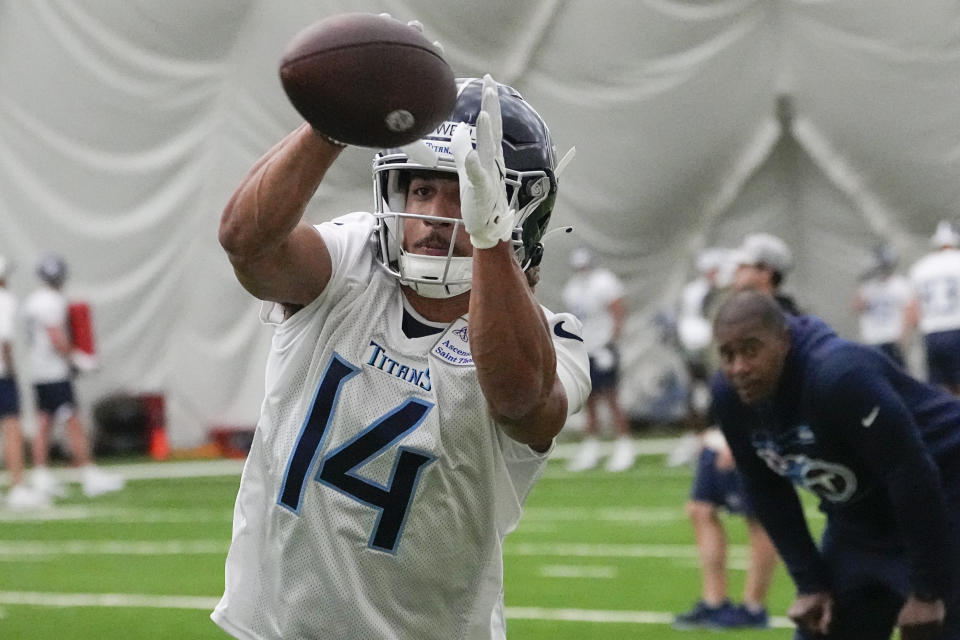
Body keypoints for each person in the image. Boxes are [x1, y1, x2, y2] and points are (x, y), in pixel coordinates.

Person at [210, 73, 590, 640]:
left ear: (516, 213)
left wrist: (488, 242)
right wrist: (332, 124)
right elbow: (248, 244)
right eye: (421, 190)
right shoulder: (352, 259)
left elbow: (520, 400)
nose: (436, 216)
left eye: (463, 191)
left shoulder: (552, 336)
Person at [711, 289, 960, 640]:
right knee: (821, 627)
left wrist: (927, 590)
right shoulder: (729, 395)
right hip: (859, 520)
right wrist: (809, 582)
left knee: (934, 627)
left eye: (751, 350)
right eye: (727, 354)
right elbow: (763, 486)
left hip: (944, 498)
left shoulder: (838, 375)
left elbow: (911, 475)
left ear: (784, 341)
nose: (739, 368)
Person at [674, 234, 789, 630]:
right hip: (726, 426)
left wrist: (747, 438)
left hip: (757, 430)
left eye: (745, 266)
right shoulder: (736, 310)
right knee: (701, 509)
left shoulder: (782, 317)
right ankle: (714, 600)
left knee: (759, 518)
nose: (736, 273)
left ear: (766, 272)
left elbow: (773, 384)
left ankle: (753, 606)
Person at [23, 254, 124, 499]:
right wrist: (77, 358)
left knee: (44, 421)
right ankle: (88, 472)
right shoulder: (51, 302)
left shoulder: (33, 300)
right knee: (73, 422)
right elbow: (55, 337)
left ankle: (40, 473)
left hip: (38, 371)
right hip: (53, 372)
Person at [561, 246, 635, 472]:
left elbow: (618, 311)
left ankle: (624, 444)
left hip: (604, 347)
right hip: (586, 349)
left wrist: (611, 342)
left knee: (611, 397)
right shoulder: (572, 288)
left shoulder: (604, 282)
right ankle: (591, 445)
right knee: (589, 399)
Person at [0, 256, 50, 509]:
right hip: (1, 375)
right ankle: (17, 486)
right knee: (12, 430)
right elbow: (4, 341)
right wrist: (11, 372)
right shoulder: (5, 300)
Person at [908, 220, 960, 396]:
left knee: (940, 390)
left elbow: (913, 311)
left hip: (932, 334)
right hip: (956, 328)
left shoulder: (920, 268)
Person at [852, 242, 914, 368]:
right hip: (872, 339)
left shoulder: (900, 284)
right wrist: (862, 282)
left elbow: (910, 312)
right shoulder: (868, 286)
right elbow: (857, 307)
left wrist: (903, 336)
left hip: (892, 338)